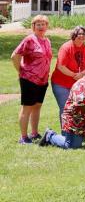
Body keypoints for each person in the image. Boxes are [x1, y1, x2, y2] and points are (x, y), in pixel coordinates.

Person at [12, 15, 52, 144]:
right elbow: (15, 55)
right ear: (33, 27)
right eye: (38, 24)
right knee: (27, 107)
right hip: (29, 79)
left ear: (47, 26)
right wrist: (21, 70)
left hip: (43, 80)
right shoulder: (29, 40)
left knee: (37, 106)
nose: (41, 27)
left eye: (43, 24)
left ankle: (34, 133)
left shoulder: (47, 40)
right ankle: (23, 137)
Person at [50, 26, 85, 128]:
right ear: (74, 35)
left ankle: (76, 130)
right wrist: (75, 75)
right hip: (61, 84)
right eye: (79, 34)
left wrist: (81, 75)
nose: (81, 36)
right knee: (65, 108)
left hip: (76, 84)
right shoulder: (66, 47)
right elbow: (61, 66)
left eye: (83, 34)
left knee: (78, 107)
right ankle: (65, 132)